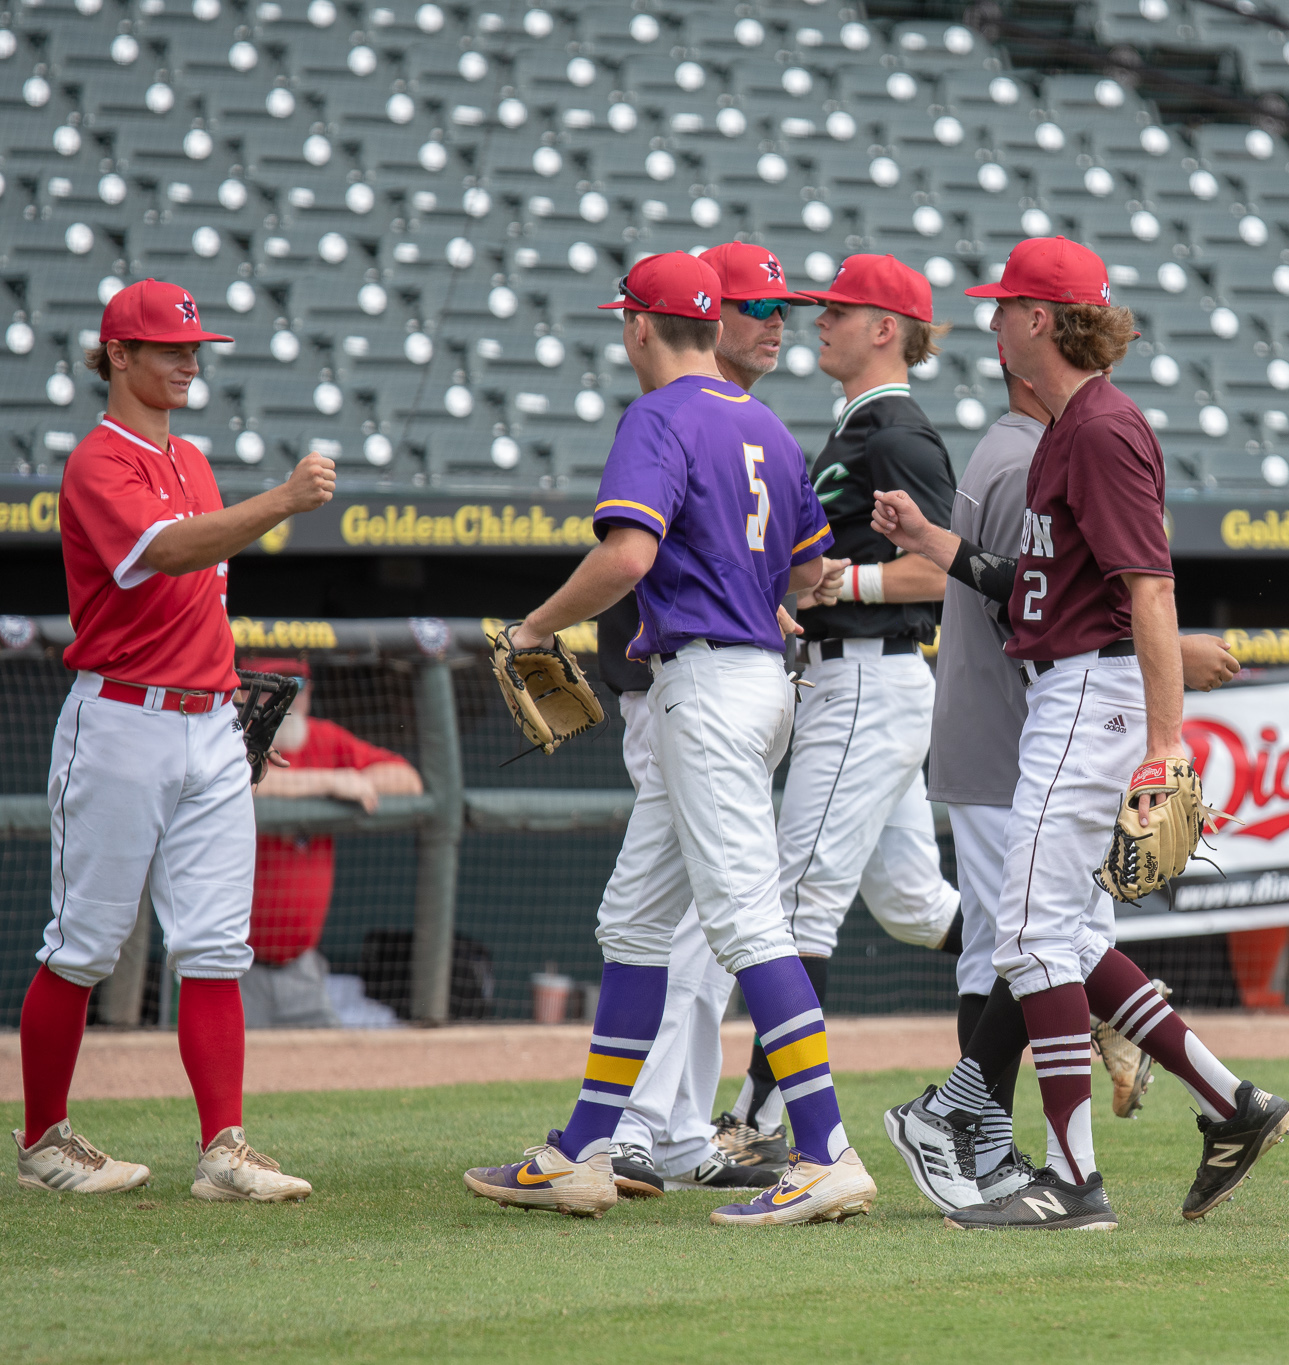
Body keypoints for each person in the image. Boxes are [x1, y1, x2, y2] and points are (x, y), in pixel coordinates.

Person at [873, 236, 1289, 1231]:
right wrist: (937, 546)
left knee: (1021, 933)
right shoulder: (1067, 425)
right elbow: (1034, 590)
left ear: (1040, 321)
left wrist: (1168, 741)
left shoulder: (1098, 429)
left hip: (1088, 699)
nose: (987, 322)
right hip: (1075, 690)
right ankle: (1229, 1105)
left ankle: (1073, 1184)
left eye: (1002, 306)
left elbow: (1149, 589)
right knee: (1050, 932)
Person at [461, 251, 876, 1225]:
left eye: (626, 324)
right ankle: (582, 1149)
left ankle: (825, 1150)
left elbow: (628, 552)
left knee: (745, 927)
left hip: (705, 690)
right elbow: (812, 578)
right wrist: (750, 592)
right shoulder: (766, 424)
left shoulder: (656, 416)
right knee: (636, 926)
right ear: (709, 323)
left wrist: (530, 629)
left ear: (640, 327)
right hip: (758, 683)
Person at [16, 279, 326, 1201]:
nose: (191, 362)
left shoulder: (190, 457)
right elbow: (168, 552)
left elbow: (205, 591)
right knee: (82, 943)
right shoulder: (97, 463)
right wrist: (282, 499)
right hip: (119, 721)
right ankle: (41, 1142)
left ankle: (224, 1150)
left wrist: (228, 699)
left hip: (205, 722)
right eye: (170, 349)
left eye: (196, 349)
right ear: (118, 355)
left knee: (217, 946)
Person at [723, 253, 965, 1137]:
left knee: (793, 905)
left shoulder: (895, 429)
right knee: (915, 907)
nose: (817, 321)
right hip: (863, 679)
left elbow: (942, 570)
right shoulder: (861, 425)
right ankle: (1089, 988)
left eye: (838, 309)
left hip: (866, 676)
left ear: (885, 329)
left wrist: (839, 587)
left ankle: (755, 1116)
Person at [242, 656, 422, 1029]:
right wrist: (330, 783)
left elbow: (407, 780)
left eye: (298, 690)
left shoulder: (324, 740)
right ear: (248, 693)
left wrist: (346, 778)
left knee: (326, 1070)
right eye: (276, 692)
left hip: (301, 966)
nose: (289, 704)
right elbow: (243, 781)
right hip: (234, 965)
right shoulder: (230, 735)